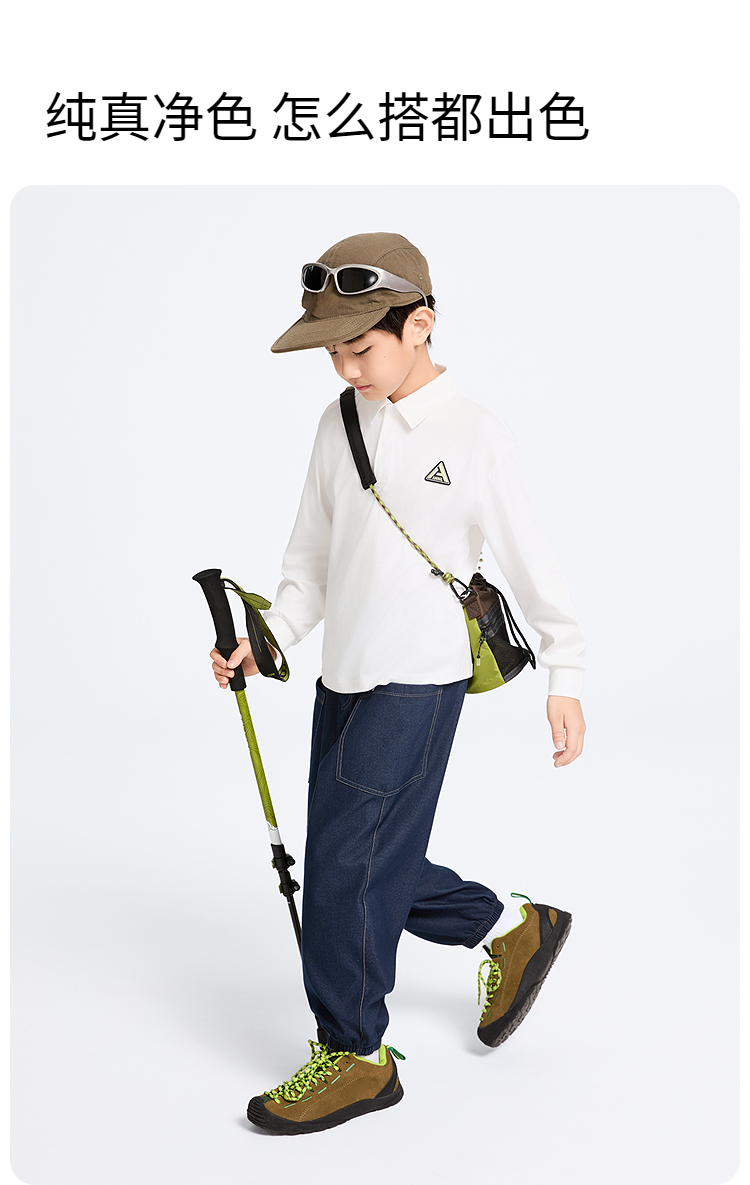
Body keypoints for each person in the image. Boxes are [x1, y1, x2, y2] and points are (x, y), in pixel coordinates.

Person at [210, 232, 586, 1135]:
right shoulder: (337, 423)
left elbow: (536, 565)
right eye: (333, 353)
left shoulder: (476, 435)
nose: (346, 368)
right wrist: (270, 637)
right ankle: (510, 927)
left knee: (346, 863)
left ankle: (355, 1055)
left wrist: (565, 672)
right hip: (343, 675)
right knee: (362, 852)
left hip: (419, 679)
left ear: (419, 324)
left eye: (360, 347)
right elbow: (310, 561)